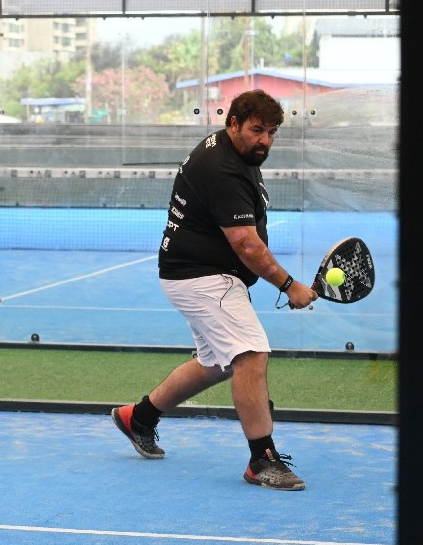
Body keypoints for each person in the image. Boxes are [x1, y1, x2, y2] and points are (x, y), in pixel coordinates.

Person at [112, 89, 317, 491]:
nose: (265, 140)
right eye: (257, 130)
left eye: (272, 133)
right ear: (233, 123)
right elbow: (246, 245)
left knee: (217, 362)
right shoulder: (222, 168)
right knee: (250, 354)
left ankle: (139, 418)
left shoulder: (235, 152)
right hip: (201, 276)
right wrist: (288, 285)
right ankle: (262, 459)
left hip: (198, 272)